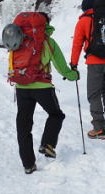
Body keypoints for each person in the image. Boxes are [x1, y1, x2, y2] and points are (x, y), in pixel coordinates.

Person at [9, 12, 79, 174]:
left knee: (23, 125)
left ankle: (28, 164)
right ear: (44, 25)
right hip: (42, 87)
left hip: (22, 87)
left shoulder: (18, 38)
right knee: (56, 115)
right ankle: (47, 144)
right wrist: (73, 75)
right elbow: (61, 66)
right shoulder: (48, 42)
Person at [71, 0, 105, 139]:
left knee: (94, 94)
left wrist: (74, 64)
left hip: (95, 62)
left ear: (85, 8)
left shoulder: (83, 21)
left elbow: (77, 44)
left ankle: (99, 128)